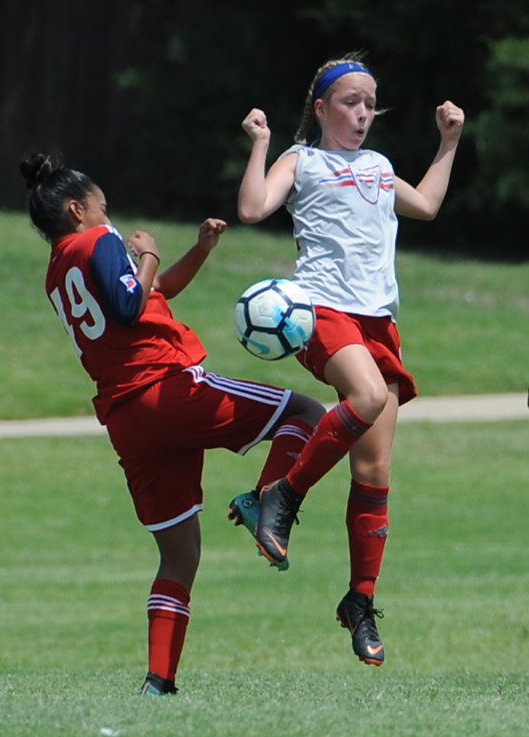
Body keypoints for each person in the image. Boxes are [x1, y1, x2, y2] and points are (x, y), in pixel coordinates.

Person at [19, 152, 325, 695]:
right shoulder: (98, 240)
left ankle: (159, 683)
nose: (110, 219)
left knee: (179, 555)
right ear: (76, 211)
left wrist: (198, 251)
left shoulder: (57, 271)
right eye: (103, 208)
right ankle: (264, 502)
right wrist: (150, 251)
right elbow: (130, 303)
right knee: (306, 412)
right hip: (166, 388)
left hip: (128, 420)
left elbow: (151, 293)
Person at [232, 53, 464, 666]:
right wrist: (261, 144)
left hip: (379, 322)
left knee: (374, 470)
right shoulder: (301, 160)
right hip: (322, 310)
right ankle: (281, 496)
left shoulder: (380, 168)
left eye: (370, 105)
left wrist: (448, 143)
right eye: (350, 102)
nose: (362, 114)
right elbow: (252, 208)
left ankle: (360, 600)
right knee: (366, 397)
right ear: (321, 108)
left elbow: (427, 206)